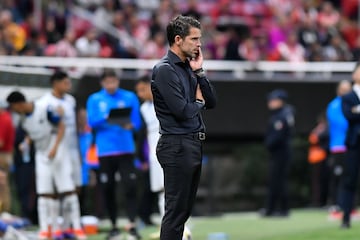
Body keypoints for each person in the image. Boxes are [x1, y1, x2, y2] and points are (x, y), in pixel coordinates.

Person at [151, 15, 217, 240]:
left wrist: (200, 72)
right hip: (176, 144)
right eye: (194, 39)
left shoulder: (190, 67)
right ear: (178, 39)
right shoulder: (165, 69)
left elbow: (213, 102)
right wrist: (198, 103)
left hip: (191, 143)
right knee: (175, 213)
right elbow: (182, 110)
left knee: (183, 212)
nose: (199, 44)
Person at [6, 91, 85, 240]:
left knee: (68, 190)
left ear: (19, 104)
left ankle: (77, 228)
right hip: (41, 153)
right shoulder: (22, 119)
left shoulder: (44, 109)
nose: (13, 110)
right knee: (44, 193)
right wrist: (27, 142)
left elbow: (61, 127)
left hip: (58, 149)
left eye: (13, 107)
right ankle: (47, 229)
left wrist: (55, 148)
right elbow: (33, 132)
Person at [86, 69, 142, 240]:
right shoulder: (95, 99)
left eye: (114, 81)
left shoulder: (129, 97)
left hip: (126, 149)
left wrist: (130, 126)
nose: (111, 85)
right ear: (102, 83)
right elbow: (91, 122)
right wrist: (108, 117)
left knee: (130, 186)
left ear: (118, 81)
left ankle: (132, 224)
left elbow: (137, 123)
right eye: (107, 82)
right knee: (108, 187)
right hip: (105, 151)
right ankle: (113, 226)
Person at [39, 71, 86, 239]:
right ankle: (55, 226)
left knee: (75, 188)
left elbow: (74, 127)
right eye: (66, 83)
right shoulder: (44, 103)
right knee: (57, 190)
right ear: (56, 83)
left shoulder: (70, 100)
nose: (69, 86)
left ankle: (69, 226)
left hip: (72, 148)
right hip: (55, 150)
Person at [135, 75, 164, 238]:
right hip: (153, 154)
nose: (140, 94)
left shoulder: (166, 100)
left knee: (172, 190)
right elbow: (142, 135)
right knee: (160, 190)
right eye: (138, 91)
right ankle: (166, 227)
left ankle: (180, 226)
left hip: (170, 148)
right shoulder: (143, 109)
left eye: (142, 89)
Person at [262, 89, 295, 217]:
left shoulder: (283, 115)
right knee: (275, 180)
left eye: (273, 100)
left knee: (279, 181)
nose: (270, 102)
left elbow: (278, 135)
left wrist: (269, 144)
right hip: (277, 152)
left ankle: (282, 209)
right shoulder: (279, 114)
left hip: (281, 152)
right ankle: (272, 209)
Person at [326, 80, 352, 216]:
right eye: (343, 89)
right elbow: (344, 123)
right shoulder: (334, 105)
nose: (346, 91)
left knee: (350, 177)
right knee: (338, 177)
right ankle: (336, 206)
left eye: (348, 89)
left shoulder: (352, 104)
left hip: (351, 146)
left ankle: (349, 206)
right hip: (339, 147)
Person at [340, 63, 360, 228]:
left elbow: (354, 114)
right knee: (350, 180)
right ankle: (345, 217)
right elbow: (349, 116)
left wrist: (357, 111)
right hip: (354, 144)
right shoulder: (348, 97)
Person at [0, 100, 15, 213]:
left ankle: (4, 212)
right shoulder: (6, 118)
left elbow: (1, 142)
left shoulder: (4, 119)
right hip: (5, 155)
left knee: (2, 185)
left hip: (3, 156)